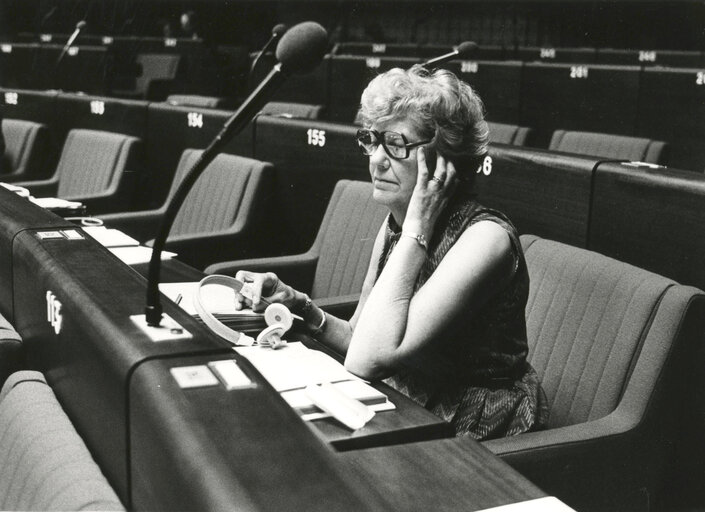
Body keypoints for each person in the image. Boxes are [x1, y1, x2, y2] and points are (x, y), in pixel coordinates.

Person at [234, 65, 548, 440]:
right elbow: (359, 337)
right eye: (371, 139)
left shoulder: (484, 239)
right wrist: (300, 306)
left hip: (476, 426)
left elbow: (367, 360)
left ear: (443, 158)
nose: (376, 159)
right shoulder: (400, 223)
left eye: (396, 144)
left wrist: (416, 229)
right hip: (411, 405)